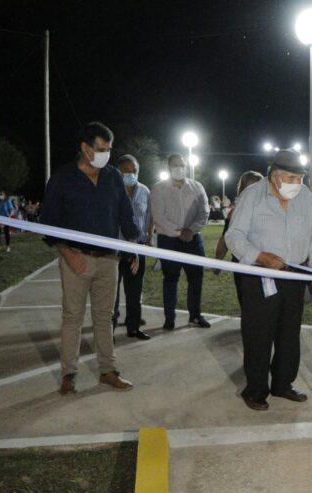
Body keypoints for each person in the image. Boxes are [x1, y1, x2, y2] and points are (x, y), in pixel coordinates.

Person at [41, 121, 139, 395]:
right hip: (76, 259)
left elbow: (125, 216)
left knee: (104, 317)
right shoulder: (62, 179)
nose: (105, 154)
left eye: (108, 149)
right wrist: (68, 252)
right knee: (72, 317)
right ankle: (69, 374)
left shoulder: (113, 177)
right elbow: (48, 223)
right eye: (100, 149)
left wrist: (134, 247)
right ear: (84, 148)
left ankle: (108, 370)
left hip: (108, 259)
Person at [225, 148, 312, 411]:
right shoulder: (252, 196)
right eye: (292, 178)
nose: (297, 183)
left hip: (295, 275)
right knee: (259, 334)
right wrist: (259, 256)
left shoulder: (305, 197)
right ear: (275, 176)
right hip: (260, 276)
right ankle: (256, 390)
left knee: (289, 333)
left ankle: (283, 384)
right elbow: (233, 236)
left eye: (300, 178)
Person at [151, 153, 210, 330]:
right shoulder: (159, 189)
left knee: (196, 278)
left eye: (182, 165)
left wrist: (191, 230)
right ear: (168, 168)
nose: (180, 168)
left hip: (193, 239)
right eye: (175, 165)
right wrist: (179, 233)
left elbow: (204, 212)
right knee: (170, 279)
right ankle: (170, 318)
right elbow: (159, 217)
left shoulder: (197, 186)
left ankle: (195, 315)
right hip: (169, 241)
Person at [112, 155, 152, 340]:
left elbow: (149, 217)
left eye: (133, 171)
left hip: (138, 248)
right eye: (126, 171)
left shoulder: (145, 192)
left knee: (134, 291)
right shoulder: (111, 190)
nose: (130, 174)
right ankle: (108, 330)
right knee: (112, 294)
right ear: (118, 172)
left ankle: (133, 327)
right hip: (114, 250)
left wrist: (147, 238)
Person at [215, 170, 264, 304]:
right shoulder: (235, 212)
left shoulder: (271, 209)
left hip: (265, 263)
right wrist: (217, 262)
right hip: (243, 264)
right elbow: (225, 238)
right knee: (248, 305)